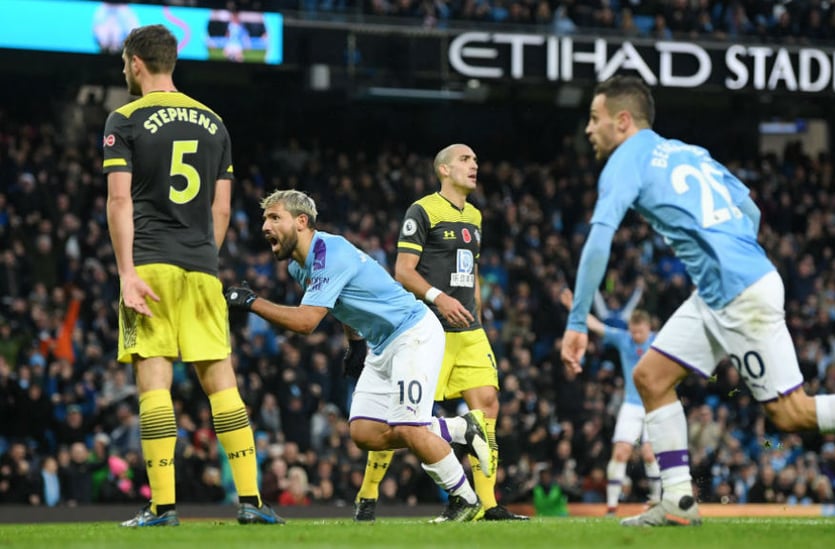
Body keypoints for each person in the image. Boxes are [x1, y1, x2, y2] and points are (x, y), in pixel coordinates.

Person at [560, 75, 835, 527]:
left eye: (595, 118)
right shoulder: (689, 152)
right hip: (724, 288)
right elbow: (750, 209)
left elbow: (599, 240)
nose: (588, 129)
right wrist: (732, 258)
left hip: (737, 292)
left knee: (792, 413)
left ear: (623, 121)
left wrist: (578, 321)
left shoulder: (624, 161)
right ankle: (678, 501)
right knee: (651, 377)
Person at [102, 24, 283, 527]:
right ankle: (251, 501)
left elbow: (120, 201)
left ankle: (163, 507)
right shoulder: (214, 122)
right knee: (222, 382)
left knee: (154, 381)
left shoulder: (125, 118)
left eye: (124, 63)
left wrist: (126, 273)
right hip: (203, 267)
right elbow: (221, 211)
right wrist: (203, 258)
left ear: (136, 62)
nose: (124, 70)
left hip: (151, 266)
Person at [224, 189, 489, 522]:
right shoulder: (299, 267)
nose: (265, 226)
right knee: (364, 433)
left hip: (412, 333)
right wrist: (356, 342)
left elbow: (307, 322)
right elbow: (343, 301)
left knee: (409, 427)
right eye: (265, 218)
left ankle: (465, 499)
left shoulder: (329, 253)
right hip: (381, 343)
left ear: (302, 222)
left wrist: (252, 302)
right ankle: (457, 428)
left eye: (275, 217)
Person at [353, 143, 527, 522]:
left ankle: (487, 504)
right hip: (426, 328)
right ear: (443, 170)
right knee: (403, 415)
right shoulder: (423, 209)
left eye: (477, 160)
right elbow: (403, 270)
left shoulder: (476, 217)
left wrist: (477, 312)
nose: (474, 165)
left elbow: (472, 269)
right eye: (466, 160)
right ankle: (367, 494)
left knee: (488, 406)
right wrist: (440, 298)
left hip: (468, 329)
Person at [560, 288, 661, 515]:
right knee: (621, 452)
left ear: (648, 329)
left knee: (649, 453)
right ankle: (612, 508)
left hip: (654, 405)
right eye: (633, 332)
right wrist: (572, 308)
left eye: (640, 332)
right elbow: (596, 325)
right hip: (632, 404)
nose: (636, 337)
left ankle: (656, 501)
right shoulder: (623, 338)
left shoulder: (659, 341)